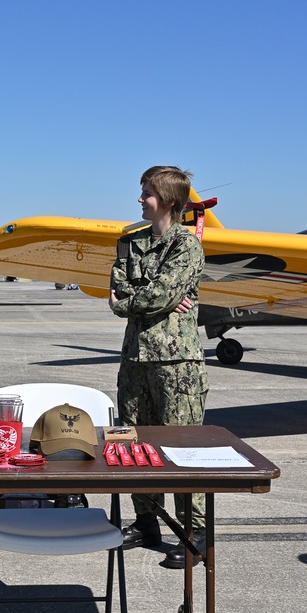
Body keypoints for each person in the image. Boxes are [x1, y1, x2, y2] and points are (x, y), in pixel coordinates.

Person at [109, 165, 208, 570]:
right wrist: (146, 300)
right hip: (135, 360)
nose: (140, 199)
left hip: (176, 365)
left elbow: (154, 296)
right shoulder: (130, 243)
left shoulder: (187, 246)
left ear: (168, 201)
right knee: (133, 443)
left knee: (183, 447)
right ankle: (146, 521)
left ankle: (195, 532)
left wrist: (142, 299)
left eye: (147, 193)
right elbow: (118, 294)